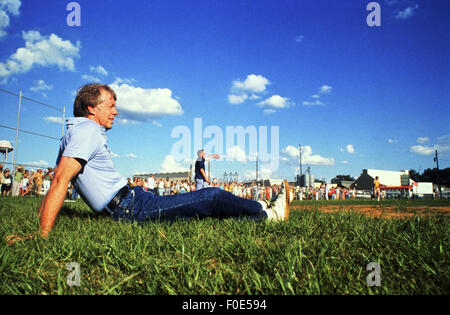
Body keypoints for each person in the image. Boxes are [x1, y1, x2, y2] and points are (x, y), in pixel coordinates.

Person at [7, 84, 291, 243]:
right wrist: (40, 235)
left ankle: (262, 207)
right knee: (211, 197)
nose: (116, 112)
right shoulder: (86, 130)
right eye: (110, 105)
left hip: (132, 198)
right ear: (92, 108)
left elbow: (59, 178)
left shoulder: (75, 132)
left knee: (200, 208)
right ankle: (268, 215)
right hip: (129, 208)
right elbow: (59, 181)